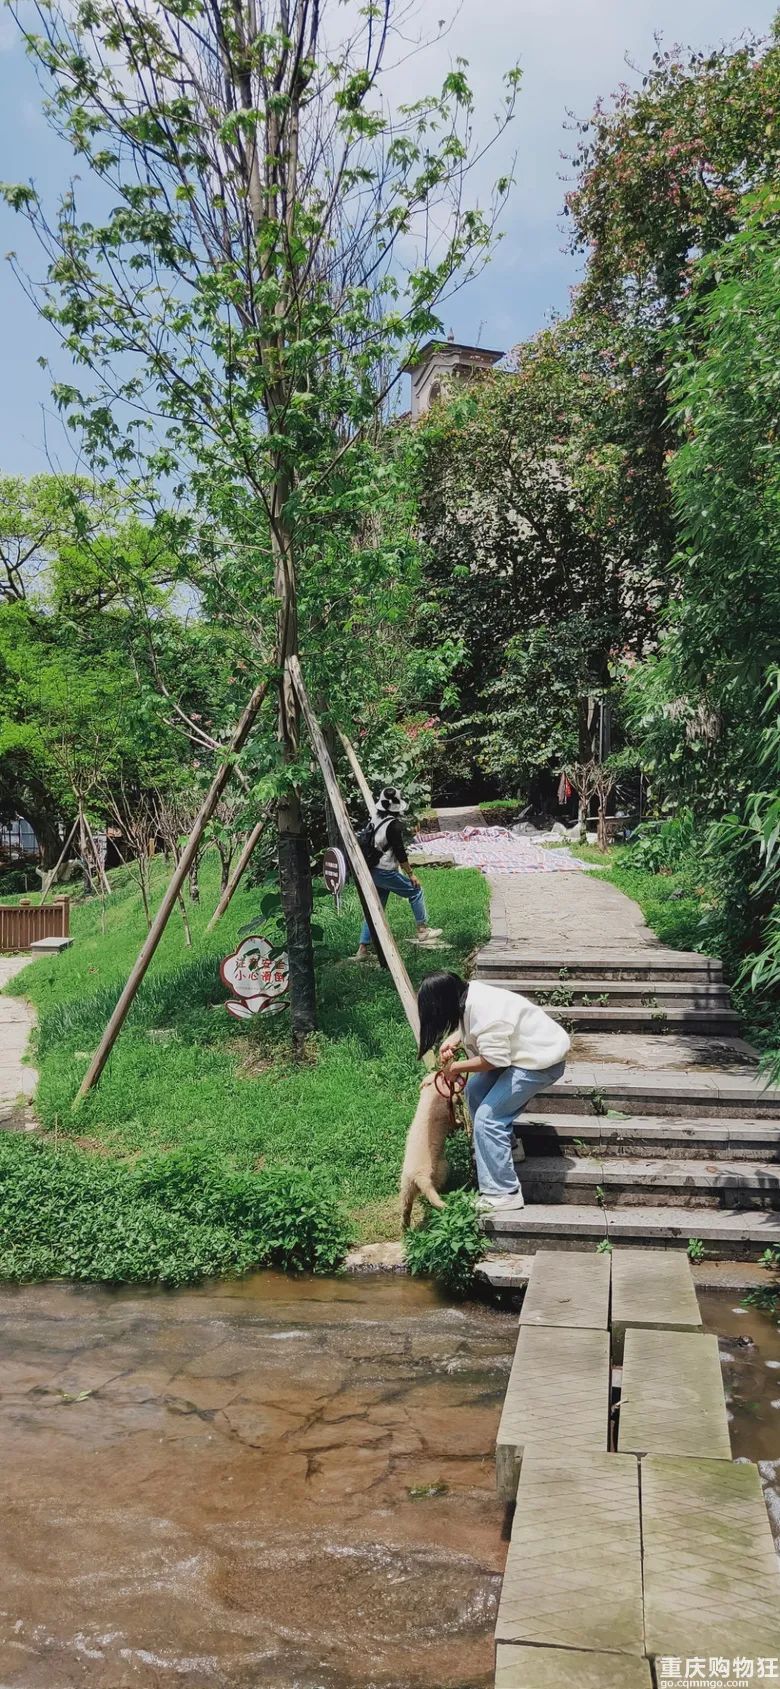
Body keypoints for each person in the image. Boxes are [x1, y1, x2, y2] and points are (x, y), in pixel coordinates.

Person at [417, 970, 570, 1211]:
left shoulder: (484, 1013)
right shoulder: (470, 994)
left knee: (488, 1120)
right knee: (476, 1091)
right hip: (524, 1052)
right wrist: (456, 1038)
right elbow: (479, 1029)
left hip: (540, 1062)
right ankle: (507, 1148)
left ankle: (503, 1192)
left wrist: (454, 1067)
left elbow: (494, 1059)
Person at [353, 786, 443, 960]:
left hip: (371, 869)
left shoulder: (375, 819)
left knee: (375, 908)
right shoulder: (393, 825)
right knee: (416, 891)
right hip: (385, 870)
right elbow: (400, 852)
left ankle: (362, 948)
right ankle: (423, 930)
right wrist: (411, 874)